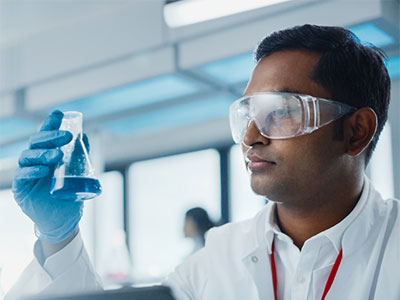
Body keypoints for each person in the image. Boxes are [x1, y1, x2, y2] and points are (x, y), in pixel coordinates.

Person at [5, 24, 399, 300]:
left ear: (356, 131)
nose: (251, 137)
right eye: (247, 114)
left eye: (280, 111)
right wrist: (57, 237)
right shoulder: (216, 260)